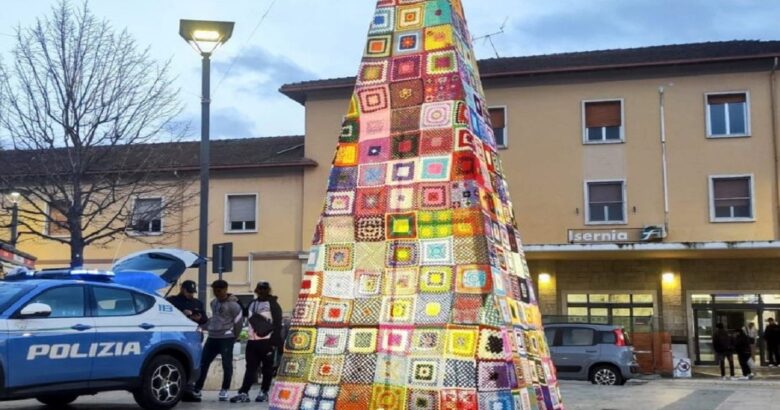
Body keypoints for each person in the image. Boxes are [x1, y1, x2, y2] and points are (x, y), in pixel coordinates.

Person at [190, 280, 243, 402]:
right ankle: (198, 388)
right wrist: (204, 326)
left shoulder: (234, 305)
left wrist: (234, 337)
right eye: (214, 290)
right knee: (203, 363)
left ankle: (224, 390)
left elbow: (238, 323)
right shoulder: (213, 302)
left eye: (219, 290)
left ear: (225, 289)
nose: (216, 293)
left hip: (226, 338)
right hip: (212, 337)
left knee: (226, 364)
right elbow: (215, 319)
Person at [230, 281, 283, 403]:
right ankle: (244, 392)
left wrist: (275, 342)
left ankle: (264, 392)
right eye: (260, 288)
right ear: (256, 290)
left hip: (267, 341)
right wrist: (237, 301)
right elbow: (245, 314)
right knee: (250, 368)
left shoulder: (273, 304)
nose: (262, 291)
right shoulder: (252, 303)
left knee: (267, 368)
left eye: (264, 288)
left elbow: (278, 324)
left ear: (268, 290)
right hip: (252, 341)